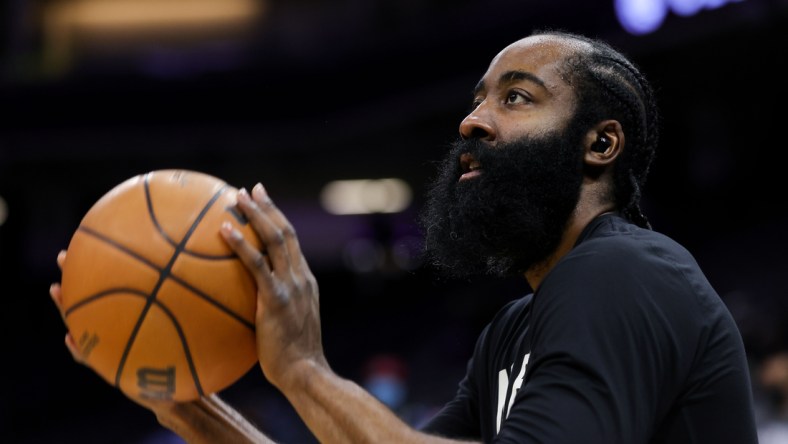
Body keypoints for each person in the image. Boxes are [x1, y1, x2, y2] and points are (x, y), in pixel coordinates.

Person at [50, 28, 759, 443]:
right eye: (477, 97)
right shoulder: (515, 331)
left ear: (600, 144)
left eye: (516, 97)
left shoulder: (626, 272)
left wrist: (302, 370)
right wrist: (192, 410)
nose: (473, 122)